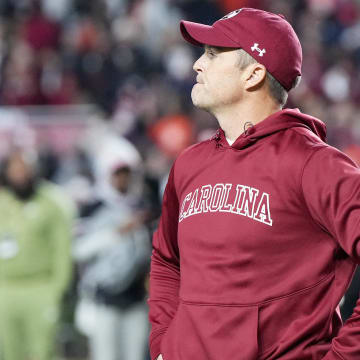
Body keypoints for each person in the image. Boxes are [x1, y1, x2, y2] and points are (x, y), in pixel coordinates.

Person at [148, 7, 360, 360]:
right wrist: (163, 343)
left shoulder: (315, 164)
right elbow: (167, 259)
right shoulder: (188, 164)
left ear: (254, 74)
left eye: (213, 54)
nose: (198, 64)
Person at [0, 148, 73, 360]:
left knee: (43, 351)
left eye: (24, 169)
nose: (20, 175)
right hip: (6, 288)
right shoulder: (2, 204)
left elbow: (62, 251)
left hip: (41, 286)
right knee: (10, 352)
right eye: (15, 170)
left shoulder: (50, 205)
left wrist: (57, 289)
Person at [73, 161, 151, 360]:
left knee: (135, 355)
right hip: (105, 297)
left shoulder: (142, 206)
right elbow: (79, 250)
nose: (123, 180)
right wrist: (116, 233)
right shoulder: (93, 206)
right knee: (105, 355)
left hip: (136, 296)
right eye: (118, 174)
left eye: (126, 175)